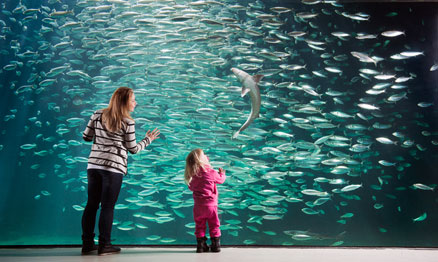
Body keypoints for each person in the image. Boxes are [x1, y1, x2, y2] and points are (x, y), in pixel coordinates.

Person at [81, 87, 160, 256]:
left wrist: (101, 137)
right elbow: (133, 149)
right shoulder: (127, 121)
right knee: (107, 207)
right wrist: (148, 140)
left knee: (91, 205)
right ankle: (105, 245)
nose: (135, 103)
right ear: (125, 102)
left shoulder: (97, 114)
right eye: (133, 100)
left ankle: (87, 244)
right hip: (113, 167)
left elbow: (86, 137)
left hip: (93, 166)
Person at [184, 148, 226, 253]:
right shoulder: (211, 173)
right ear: (202, 160)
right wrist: (222, 174)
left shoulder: (194, 175)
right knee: (214, 224)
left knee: (199, 225)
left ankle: (201, 246)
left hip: (198, 207)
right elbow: (221, 180)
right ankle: (216, 245)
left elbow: (191, 187)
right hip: (211, 206)